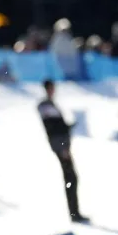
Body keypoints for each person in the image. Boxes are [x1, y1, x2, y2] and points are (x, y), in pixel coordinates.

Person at [37, 80, 89, 223]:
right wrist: (62, 147)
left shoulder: (50, 104)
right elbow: (54, 129)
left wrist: (68, 127)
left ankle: (75, 212)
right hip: (60, 146)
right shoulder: (45, 105)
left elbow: (59, 126)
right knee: (70, 177)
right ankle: (74, 214)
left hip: (63, 144)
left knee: (71, 177)